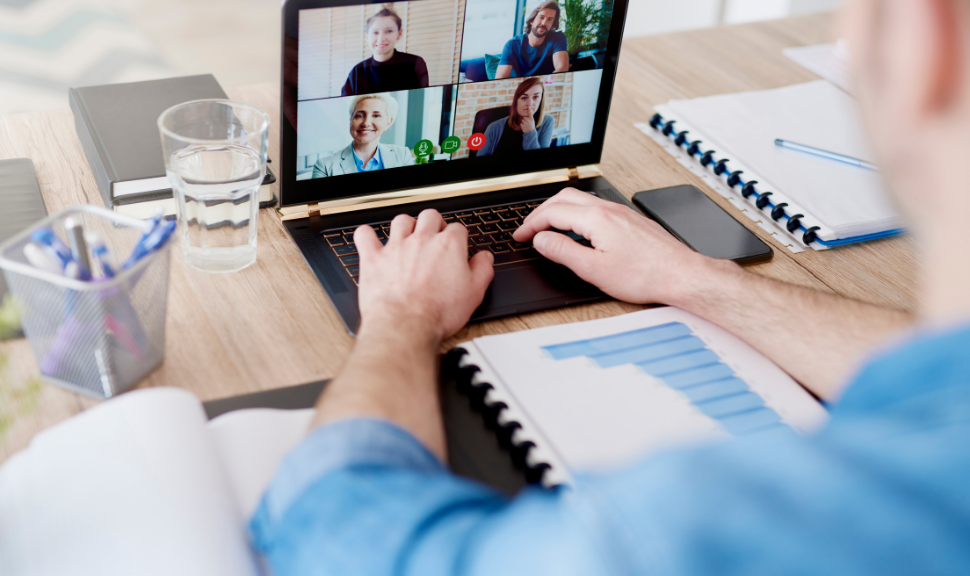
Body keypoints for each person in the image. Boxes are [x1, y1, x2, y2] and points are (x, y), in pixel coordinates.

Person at [251, 0, 970, 573]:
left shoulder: (680, 530)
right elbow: (943, 370)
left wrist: (402, 314)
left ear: (923, 34)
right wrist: (691, 276)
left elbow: (333, 521)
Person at [312, 93, 413, 178]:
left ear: (388, 123)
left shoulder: (402, 156)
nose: (366, 123)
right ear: (351, 120)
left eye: (376, 115)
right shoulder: (324, 166)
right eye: (360, 115)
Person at [341, 7, 429, 96]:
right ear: (367, 37)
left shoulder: (415, 63)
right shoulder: (357, 71)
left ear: (399, 34)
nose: (381, 39)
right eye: (375, 32)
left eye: (389, 31)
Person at [476, 77, 555, 156]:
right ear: (516, 101)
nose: (530, 103)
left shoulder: (547, 122)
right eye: (524, 98)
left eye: (536, 97)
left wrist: (530, 132)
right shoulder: (493, 127)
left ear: (541, 100)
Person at [495, 1, 569, 79]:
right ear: (532, 20)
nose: (544, 23)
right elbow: (500, 78)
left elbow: (562, 68)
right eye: (541, 17)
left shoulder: (557, 38)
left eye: (550, 20)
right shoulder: (512, 45)